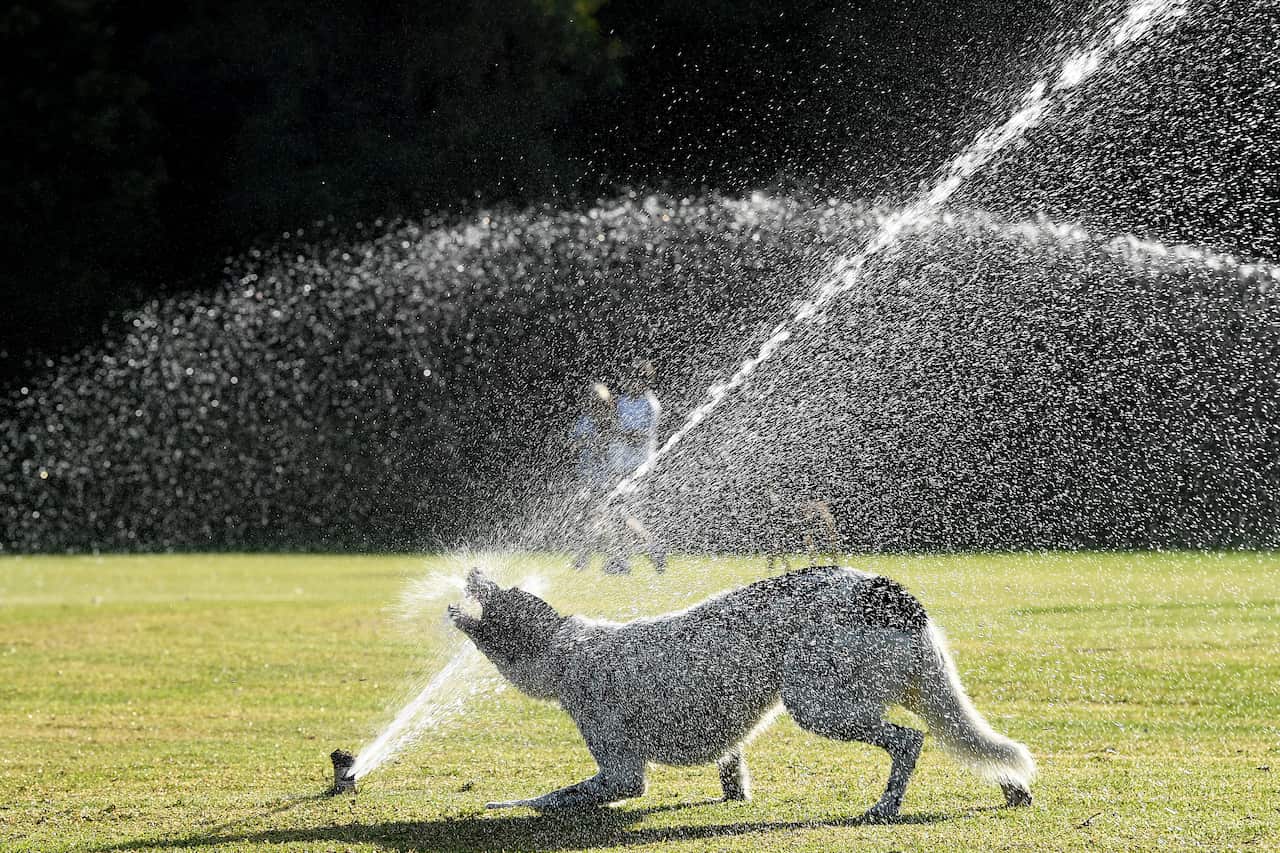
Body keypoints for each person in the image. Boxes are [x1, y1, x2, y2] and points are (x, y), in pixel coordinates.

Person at [603, 359, 666, 574]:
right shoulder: (621, 402)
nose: (628, 383)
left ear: (643, 382)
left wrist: (622, 433)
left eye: (633, 379)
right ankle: (624, 559)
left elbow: (641, 436)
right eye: (627, 379)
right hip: (620, 467)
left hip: (637, 469)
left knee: (620, 512)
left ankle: (650, 547)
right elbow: (610, 426)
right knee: (617, 514)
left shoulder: (650, 404)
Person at [568, 382, 613, 570]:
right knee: (585, 520)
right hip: (586, 478)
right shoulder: (584, 422)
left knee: (603, 521)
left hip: (605, 481)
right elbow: (572, 447)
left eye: (598, 402)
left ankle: (614, 559)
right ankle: (583, 558)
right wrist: (581, 443)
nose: (594, 405)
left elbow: (611, 449)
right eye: (592, 401)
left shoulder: (611, 422)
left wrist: (598, 443)